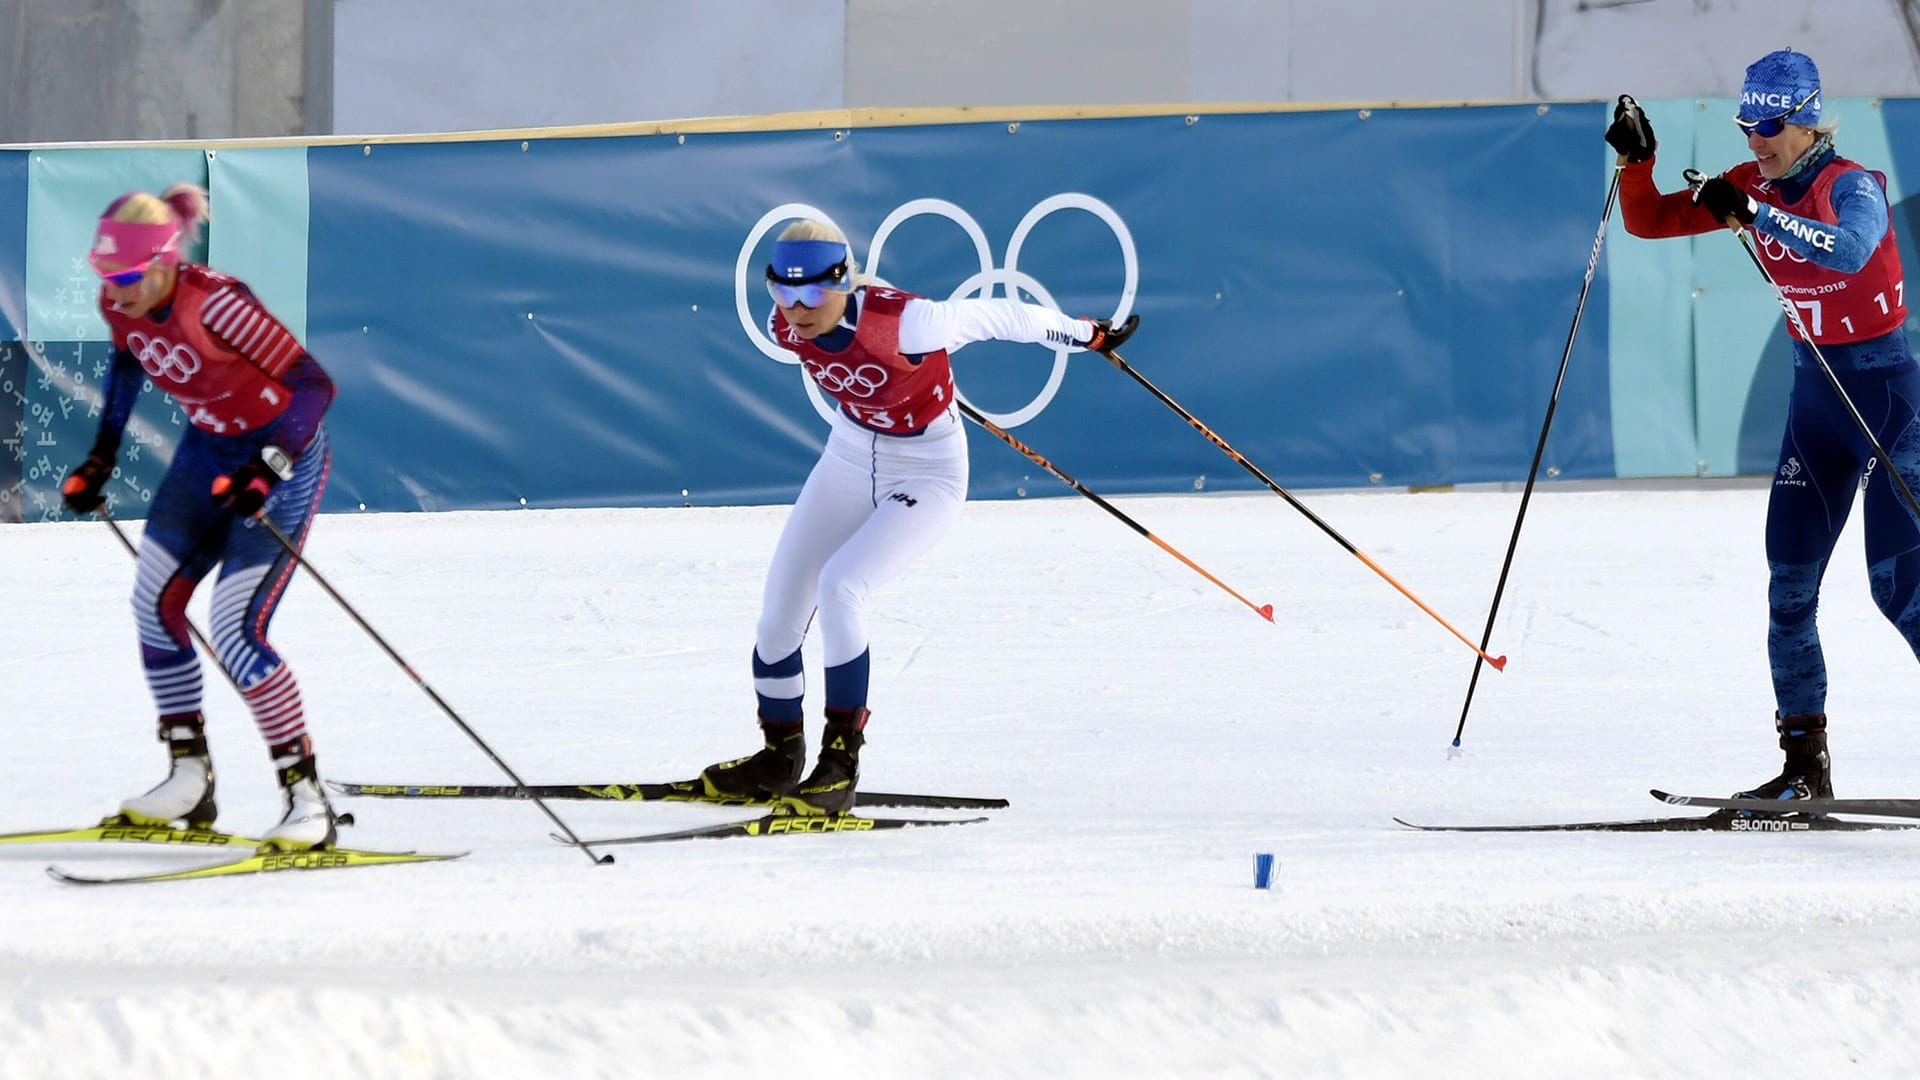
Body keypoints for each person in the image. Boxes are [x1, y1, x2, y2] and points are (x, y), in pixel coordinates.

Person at [697, 219, 1137, 815]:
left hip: (929, 471)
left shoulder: (909, 323)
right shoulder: (786, 324)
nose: (795, 310)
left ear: (841, 282)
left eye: (811, 294)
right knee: (778, 619)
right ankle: (778, 758)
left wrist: (1087, 335)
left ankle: (838, 764)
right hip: (849, 457)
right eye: (781, 291)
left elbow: (1009, 318)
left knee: (841, 585)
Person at [1608, 49, 1917, 802]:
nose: (1756, 141)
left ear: (1808, 120)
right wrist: (1637, 163)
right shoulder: (1751, 185)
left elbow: (1849, 251)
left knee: (1901, 591)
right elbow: (1649, 222)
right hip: (1816, 410)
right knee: (1788, 589)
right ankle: (1805, 769)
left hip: (1889, 409)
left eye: (1771, 126)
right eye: (1747, 125)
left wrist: (1756, 212)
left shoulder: (1854, 185)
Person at [61, 183, 341, 850]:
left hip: (283, 457)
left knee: (234, 629)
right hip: (207, 449)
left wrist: (269, 466)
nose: (116, 291)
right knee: (152, 602)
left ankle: (308, 799)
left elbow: (315, 384)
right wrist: (102, 455)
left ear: (164, 261)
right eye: (105, 275)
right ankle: (189, 778)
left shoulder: (217, 303)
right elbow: (129, 363)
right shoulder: (120, 298)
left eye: (127, 275)